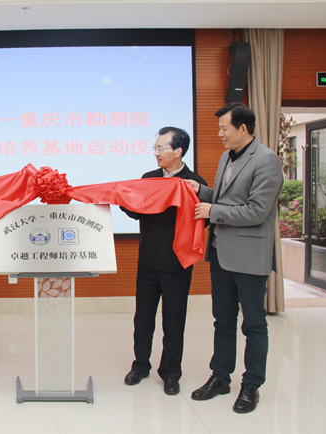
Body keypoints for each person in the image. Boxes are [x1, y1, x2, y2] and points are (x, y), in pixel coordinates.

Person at [186, 103, 283, 413]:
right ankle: (220, 377)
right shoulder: (226, 157)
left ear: (243, 128)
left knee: (253, 325)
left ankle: (251, 385)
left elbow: (257, 211)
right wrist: (202, 190)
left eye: (224, 128)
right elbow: (227, 198)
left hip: (250, 255)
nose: (220, 134)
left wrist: (212, 211)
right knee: (223, 321)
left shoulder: (267, 160)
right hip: (221, 253)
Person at [121, 127, 207, 396]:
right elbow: (137, 213)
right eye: (155, 148)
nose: (156, 153)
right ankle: (140, 365)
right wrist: (124, 198)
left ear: (178, 151)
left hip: (177, 265)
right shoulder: (149, 178)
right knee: (143, 319)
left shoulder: (194, 183)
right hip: (148, 261)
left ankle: (170, 373)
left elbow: (201, 222)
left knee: (173, 322)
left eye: (161, 148)